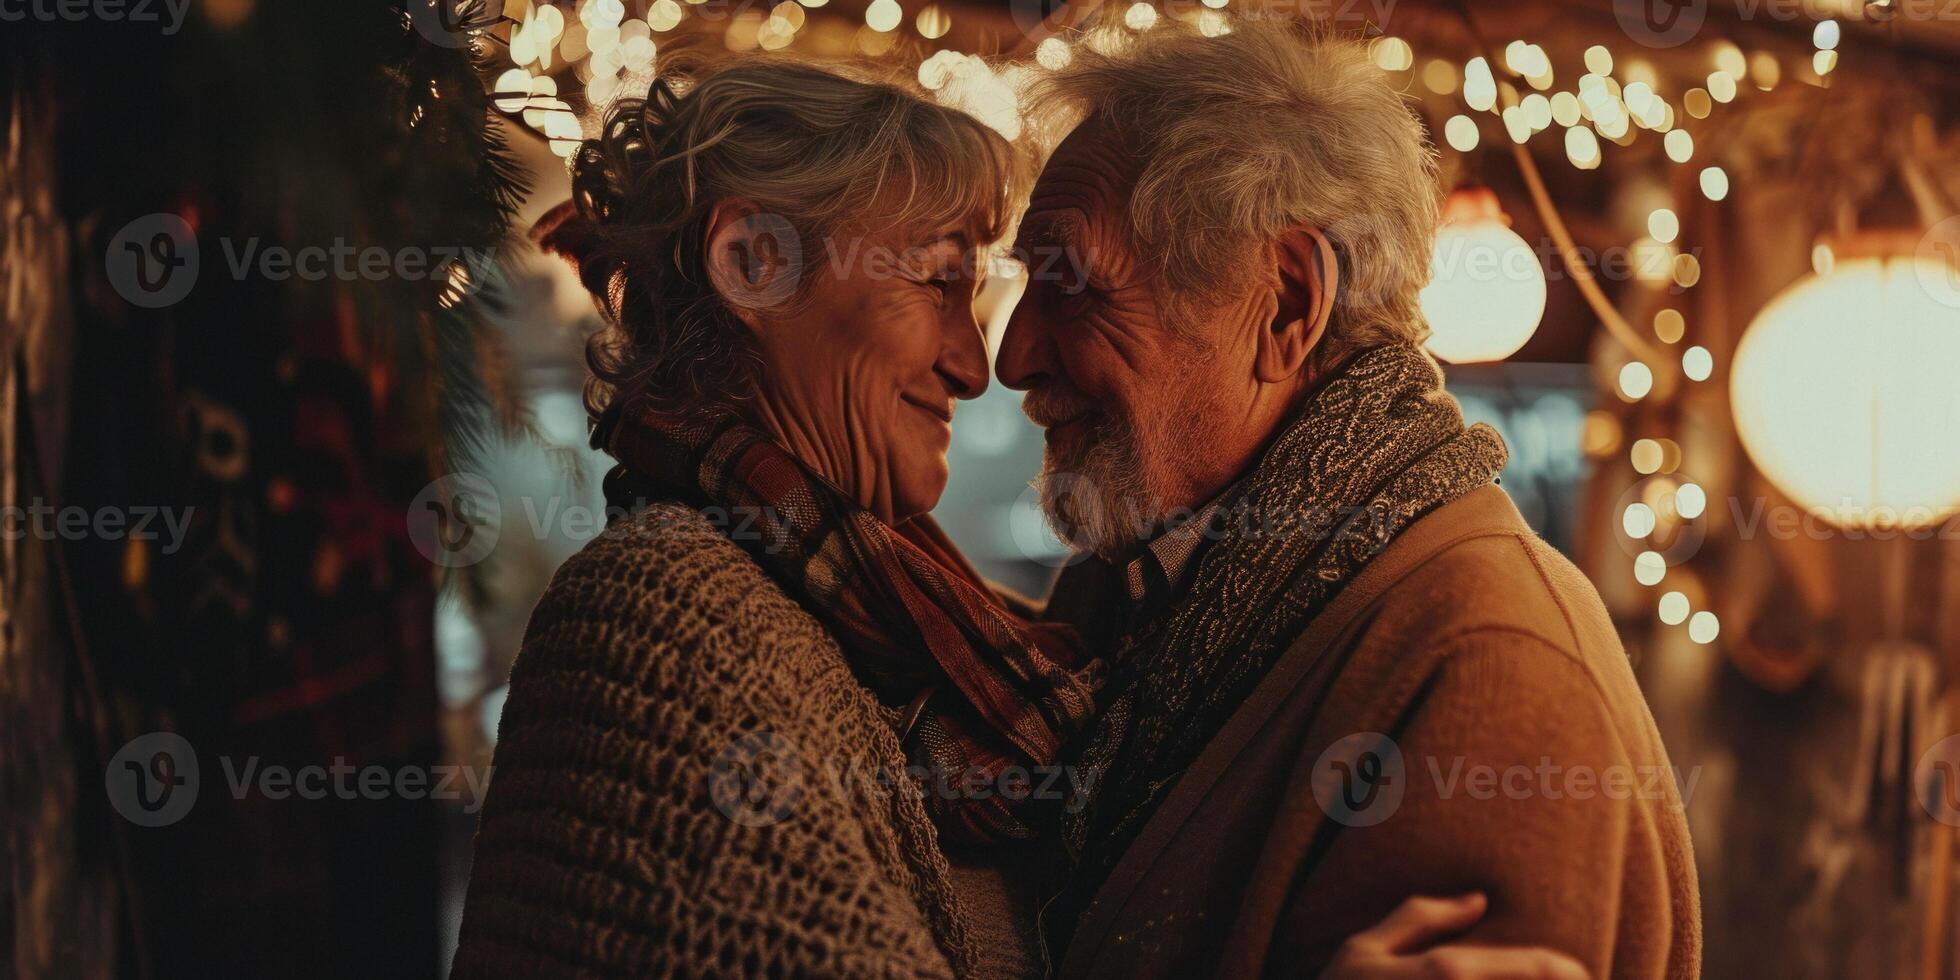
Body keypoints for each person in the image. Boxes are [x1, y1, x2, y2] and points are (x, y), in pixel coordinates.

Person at [451, 49, 1588, 980]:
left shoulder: (897, 614)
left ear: (1285, 303)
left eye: (1060, 284)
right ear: (754, 264)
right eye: (943, 280)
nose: (982, 358)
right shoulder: (666, 617)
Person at [993, 18, 1702, 980]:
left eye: (1072, 288)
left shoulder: (1485, 666)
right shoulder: (1159, 591)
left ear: (1285, 303)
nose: (1011, 357)